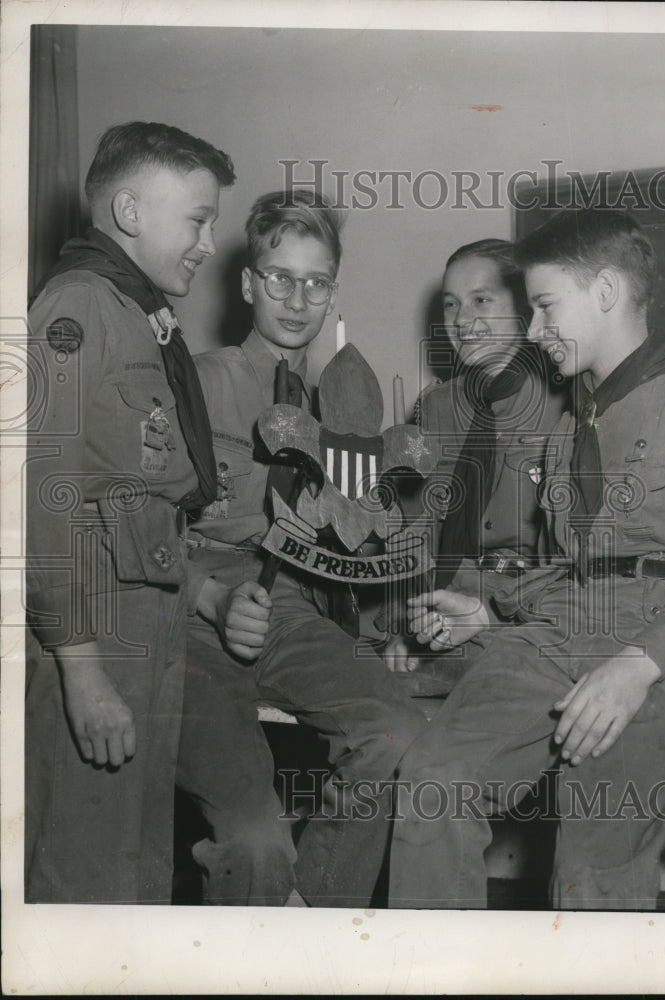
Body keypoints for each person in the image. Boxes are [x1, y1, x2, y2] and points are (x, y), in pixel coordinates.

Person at [388, 208, 665, 910]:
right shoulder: (569, 430)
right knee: (431, 781)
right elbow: (584, 572)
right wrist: (488, 608)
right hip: (563, 628)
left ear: (605, 292)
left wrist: (637, 667)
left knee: (594, 834)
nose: (534, 331)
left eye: (545, 307)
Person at [183, 188, 428, 906]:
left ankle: (314, 918)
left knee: (398, 732)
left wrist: (388, 624)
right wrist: (211, 595)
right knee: (254, 841)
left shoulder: (340, 406)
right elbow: (133, 527)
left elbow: (356, 537)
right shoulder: (198, 384)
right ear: (248, 283)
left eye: (316, 282)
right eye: (280, 278)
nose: (297, 299)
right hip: (192, 621)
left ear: (333, 293)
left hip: (291, 617)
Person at [25, 121, 242, 903]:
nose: (210, 242)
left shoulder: (135, 311)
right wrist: (82, 675)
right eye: (197, 218)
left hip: (148, 629)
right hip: (97, 637)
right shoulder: (78, 307)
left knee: (138, 871)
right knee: (84, 880)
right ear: (129, 211)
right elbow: (40, 503)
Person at [384, 238, 566, 692]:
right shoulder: (435, 408)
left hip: (525, 612)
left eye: (481, 300)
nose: (462, 321)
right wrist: (408, 624)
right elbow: (415, 531)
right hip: (441, 604)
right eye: (451, 305)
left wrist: (492, 613)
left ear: (523, 308)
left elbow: (572, 563)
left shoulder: (569, 404)